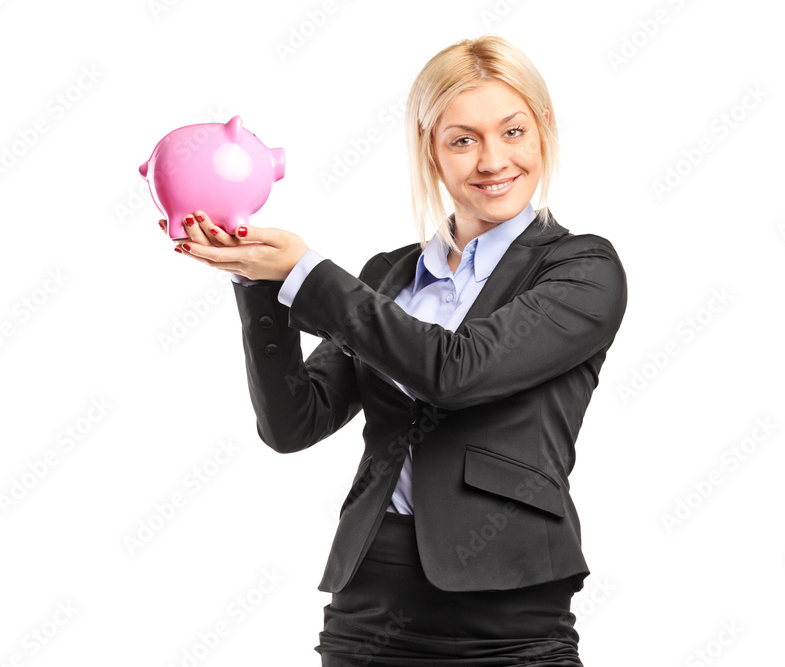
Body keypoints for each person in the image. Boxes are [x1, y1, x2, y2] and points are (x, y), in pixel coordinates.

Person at [160, 33, 627, 667]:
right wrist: (258, 282)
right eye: (463, 140)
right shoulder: (389, 276)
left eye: (513, 131)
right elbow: (293, 423)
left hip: (510, 614)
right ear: (431, 150)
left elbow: (454, 373)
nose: (493, 160)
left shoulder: (581, 269)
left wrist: (306, 272)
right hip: (369, 604)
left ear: (543, 129)